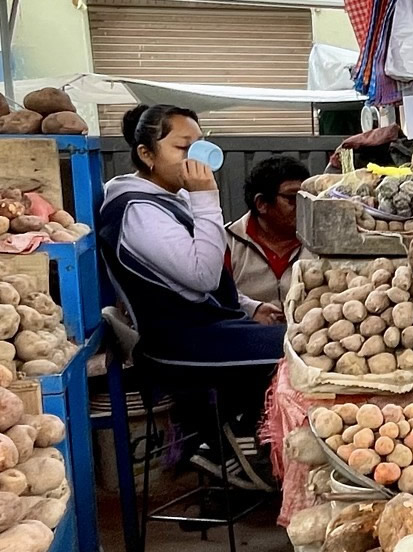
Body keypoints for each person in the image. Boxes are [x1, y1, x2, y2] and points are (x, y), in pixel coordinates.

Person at [98, 104, 282, 490]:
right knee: (294, 349)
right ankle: (229, 447)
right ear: (146, 154)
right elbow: (200, 275)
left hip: (205, 326)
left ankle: (227, 442)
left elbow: (189, 278)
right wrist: (206, 199)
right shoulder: (138, 210)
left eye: (200, 145)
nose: (195, 159)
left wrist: (248, 308)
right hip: (177, 341)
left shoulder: (167, 197)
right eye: (183, 148)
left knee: (295, 337)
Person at [226, 156, 309, 313]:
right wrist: (252, 311)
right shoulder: (227, 243)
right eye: (293, 198)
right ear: (262, 204)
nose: (303, 205)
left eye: (306, 198)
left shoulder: (319, 244)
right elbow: (217, 300)